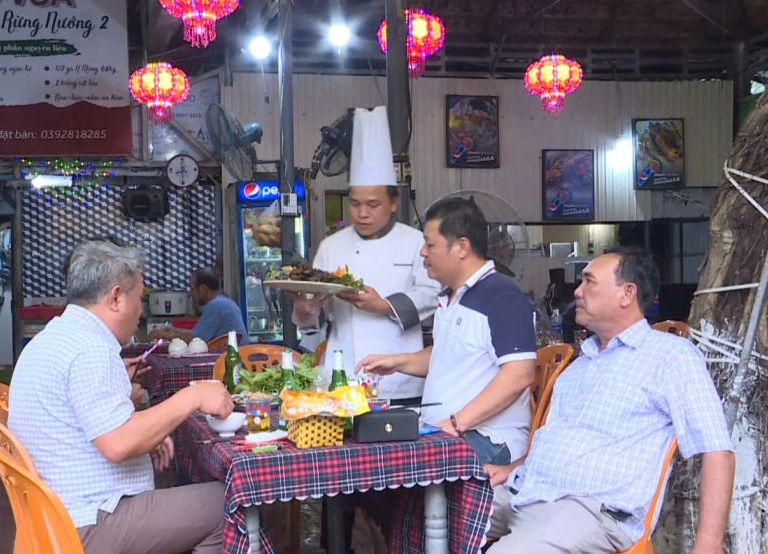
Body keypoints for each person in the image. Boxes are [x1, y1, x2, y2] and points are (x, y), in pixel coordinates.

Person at [482, 246, 735, 554]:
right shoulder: (580, 365)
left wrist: (708, 544)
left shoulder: (670, 356)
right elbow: (563, 440)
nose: (577, 291)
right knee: (433, 514)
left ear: (627, 293)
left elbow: (716, 447)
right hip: (525, 491)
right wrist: (515, 467)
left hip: (588, 512)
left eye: (589, 282)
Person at [8, 239, 235, 553]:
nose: (141, 310)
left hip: (55, 517)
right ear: (116, 297)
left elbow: (98, 426)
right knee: (230, 502)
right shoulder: (90, 349)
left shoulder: (56, 336)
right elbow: (118, 443)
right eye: (139, 298)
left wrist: (143, 434)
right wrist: (192, 397)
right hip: (84, 524)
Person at [288, 106, 442, 553]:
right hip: (344, 385)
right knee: (339, 487)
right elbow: (314, 319)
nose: (363, 212)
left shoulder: (417, 242)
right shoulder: (331, 246)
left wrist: (383, 305)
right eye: (355, 203)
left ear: (394, 201)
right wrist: (304, 310)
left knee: (399, 488)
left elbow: (433, 297)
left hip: (403, 384)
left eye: (373, 204)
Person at [355, 196, 538, 542]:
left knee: (395, 473)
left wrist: (456, 424)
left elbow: (519, 375)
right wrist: (396, 362)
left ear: (462, 248)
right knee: (369, 468)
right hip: (448, 430)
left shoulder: (503, 297)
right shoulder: (451, 297)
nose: (422, 253)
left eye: (429, 244)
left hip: (489, 439)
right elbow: (445, 356)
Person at [149, 267, 248, 345]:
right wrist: (175, 331)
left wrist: (164, 335)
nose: (191, 294)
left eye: (192, 288)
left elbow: (194, 339)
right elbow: (198, 333)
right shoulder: (223, 301)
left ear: (202, 288)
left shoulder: (216, 305)